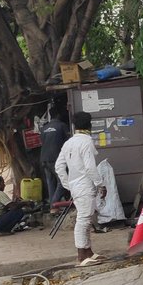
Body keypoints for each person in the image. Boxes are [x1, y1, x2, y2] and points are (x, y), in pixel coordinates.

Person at [55, 112, 107, 266]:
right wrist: (100, 184)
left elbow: (59, 167)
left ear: (74, 126)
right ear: (90, 125)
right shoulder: (86, 142)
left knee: (86, 218)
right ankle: (82, 257)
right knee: (83, 220)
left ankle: (88, 252)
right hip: (85, 186)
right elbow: (90, 168)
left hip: (76, 186)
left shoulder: (69, 143)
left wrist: (68, 184)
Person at [40, 113, 71, 210]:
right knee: (62, 182)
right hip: (56, 158)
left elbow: (42, 141)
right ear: (59, 116)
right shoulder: (62, 125)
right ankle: (54, 205)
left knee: (51, 183)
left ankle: (52, 207)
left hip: (44, 159)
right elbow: (68, 142)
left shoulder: (44, 128)